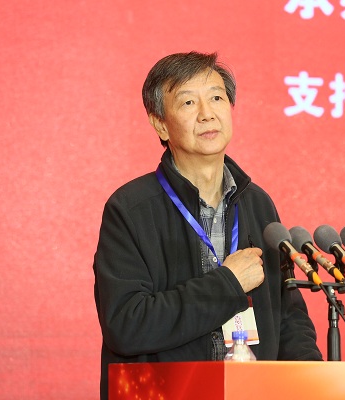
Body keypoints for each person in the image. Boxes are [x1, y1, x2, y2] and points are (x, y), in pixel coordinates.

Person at [93, 51, 322, 399]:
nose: (207, 113)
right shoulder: (131, 209)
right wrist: (229, 284)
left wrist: (313, 382)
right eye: (188, 102)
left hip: (250, 393)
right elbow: (126, 323)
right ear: (160, 124)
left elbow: (288, 316)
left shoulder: (257, 203)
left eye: (216, 98)